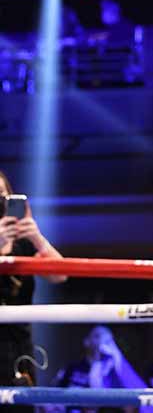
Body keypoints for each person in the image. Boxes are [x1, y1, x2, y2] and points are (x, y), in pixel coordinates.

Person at [0, 170, 67, 413]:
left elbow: (60, 274)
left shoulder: (23, 241)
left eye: (2, 195)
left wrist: (37, 238)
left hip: (19, 345)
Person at [53, 325, 146, 413]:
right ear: (87, 341)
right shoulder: (71, 368)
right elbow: (54, 394)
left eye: (108, 340)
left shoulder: (115, 372)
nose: (102, 341)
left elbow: (132, 405)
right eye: (98, 336)